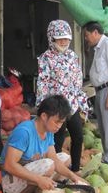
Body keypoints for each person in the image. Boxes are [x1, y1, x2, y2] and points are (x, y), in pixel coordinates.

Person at [0, 95, 87, 193]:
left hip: (29, 173)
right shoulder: (24, 132)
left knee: (65, 158)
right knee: (48, 164)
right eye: (56, 122)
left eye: (61, 123)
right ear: (44, 116)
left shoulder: (48, 131)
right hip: (9, 182)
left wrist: (73, 176)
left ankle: (42, 187)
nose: (59, 126)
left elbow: (54, 158)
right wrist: (39, 180)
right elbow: (9, 165)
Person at [36, 20, 89, 173]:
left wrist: (83, 105)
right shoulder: (45, 58)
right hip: (56, 107)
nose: (64, 42)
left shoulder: (73, 56)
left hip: (72, 105)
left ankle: (76, 169)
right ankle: (56, 172)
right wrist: (42, 107)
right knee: (57, 141)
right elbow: (43, 83)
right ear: (51, 39)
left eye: (66, 39)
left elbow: (77, 82)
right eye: (60, 39)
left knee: (78, 136)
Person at [83, 21, 108, 167]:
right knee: (104, 129)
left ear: (95, 32)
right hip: (100, 91)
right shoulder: (98, 48)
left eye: (87, 35)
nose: (86, 38)